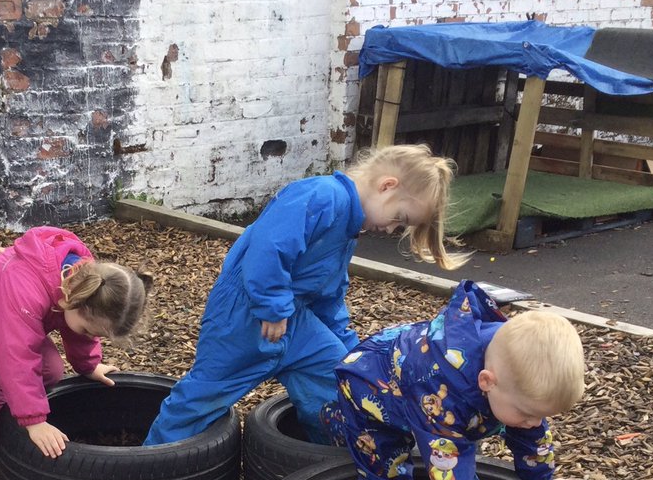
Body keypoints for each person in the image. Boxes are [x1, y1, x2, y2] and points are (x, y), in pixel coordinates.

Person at [143, 144, 462, 446]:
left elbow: (329, 295)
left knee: (338, 379)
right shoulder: (323, 196)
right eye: (399, 219)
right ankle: (149, 464)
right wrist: (272, 306)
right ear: (386, 186)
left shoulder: (348, 228)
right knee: (203, 396)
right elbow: (269, 249)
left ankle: (322, 460)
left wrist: (353, 353)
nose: (392, 230)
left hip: (295, 322)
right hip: (244, 318)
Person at [324, 279, 591, 480]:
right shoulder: (444, 392)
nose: (535, 422)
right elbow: (451, 471)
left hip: (411, 387)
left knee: (468, 426)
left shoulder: (514, 375)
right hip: (368, 388)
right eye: (529, 414)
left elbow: (530, 432)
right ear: (487, 382)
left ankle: (339, 421)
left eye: (542, 415)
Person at [0, 226, 149, 480]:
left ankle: (10, 424)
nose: (89, 334)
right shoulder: (26, 291)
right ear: (75, 301)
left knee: (51, 371)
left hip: (17, 320)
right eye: (88, 329)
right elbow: (16, 356)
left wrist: (89, 365)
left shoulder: (85, 282)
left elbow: (77, 331)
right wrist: (34, 421)